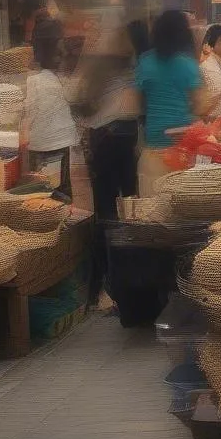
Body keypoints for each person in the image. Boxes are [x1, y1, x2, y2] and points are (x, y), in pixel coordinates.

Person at [74, 17, 147, 301]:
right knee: (128, 207)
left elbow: (82, 104)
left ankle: (107, 280)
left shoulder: (103, 66)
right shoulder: (130, 64)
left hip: (106, 138)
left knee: (107, 209)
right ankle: (124, 277)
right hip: (122, 138)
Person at [134, 9, 204, 195]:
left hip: (153, 147)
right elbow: (200, 105)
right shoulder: (188, 65)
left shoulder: (145, 62)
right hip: (183, 149)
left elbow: (137, 104)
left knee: (151, 207)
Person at [24, 17, 78, 198]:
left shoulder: (34, 78)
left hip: (42, 144)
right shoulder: (49, 77)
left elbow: (27, 112)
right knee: (57, 195)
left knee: (43, 195)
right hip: (57, 144)